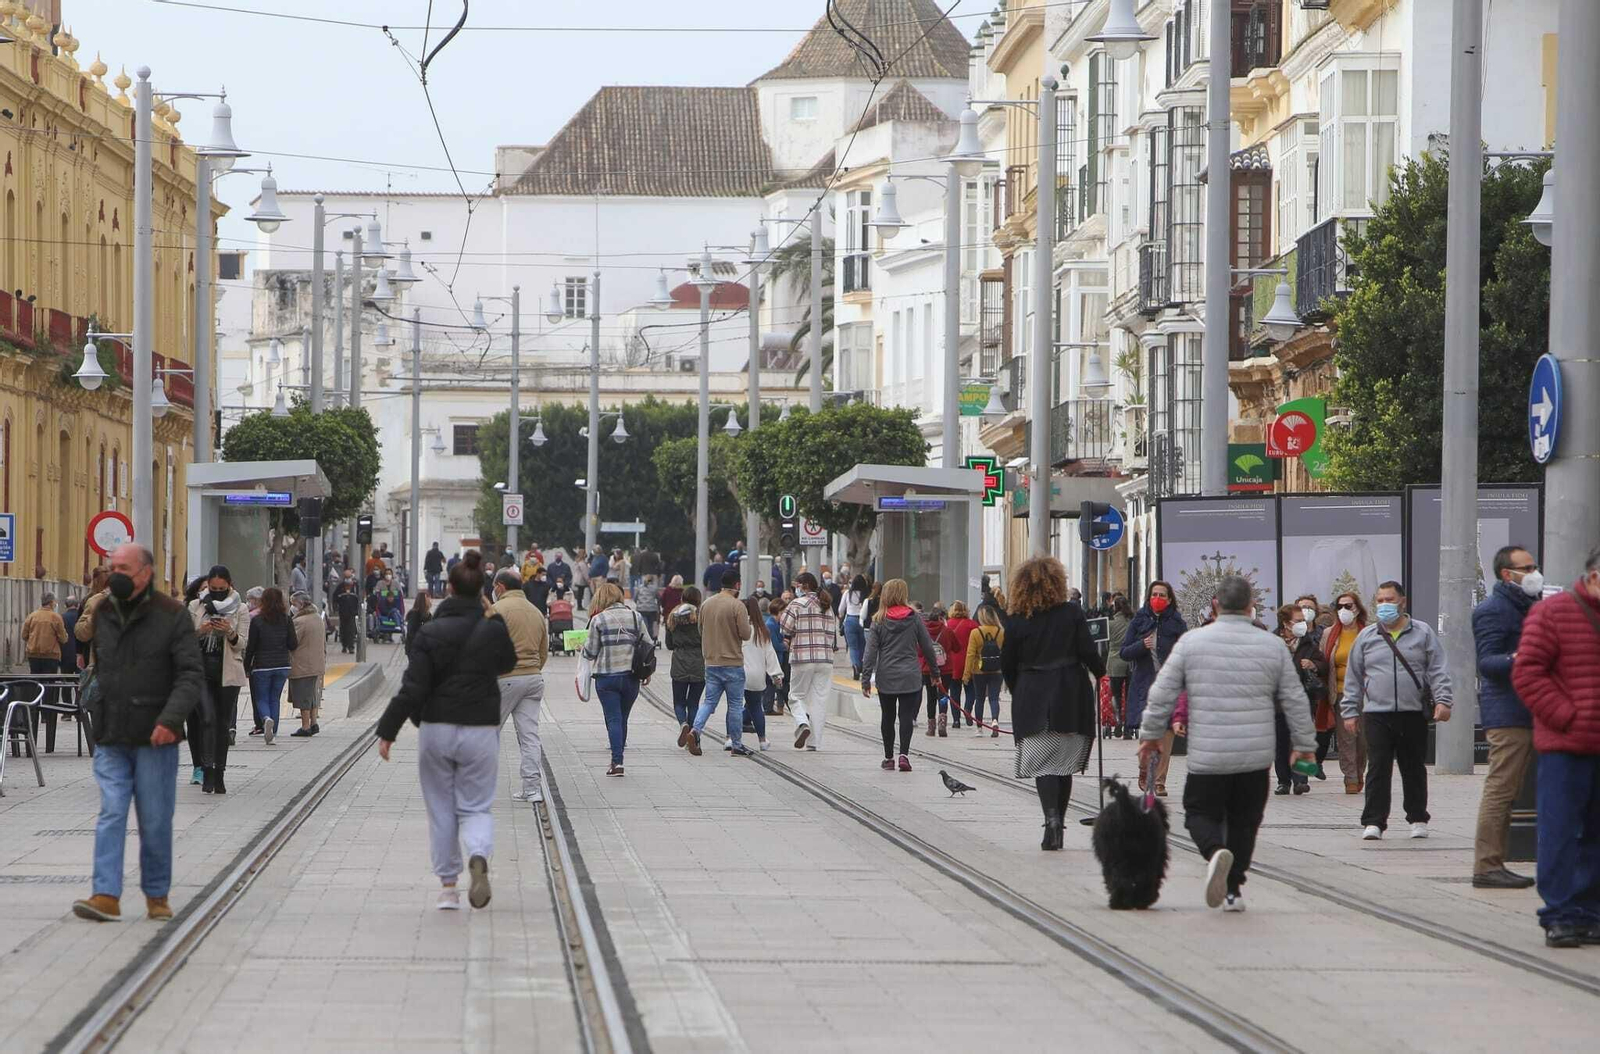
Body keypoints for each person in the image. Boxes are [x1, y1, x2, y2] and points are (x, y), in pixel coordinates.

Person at [1139, 575, 1315, 911]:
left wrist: (1150, 737)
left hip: (1209, 753)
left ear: (1216, 605)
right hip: (1254, 756)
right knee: (1245, 821)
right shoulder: (1272, 645)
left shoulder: (1192, 643)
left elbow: (1162, 692)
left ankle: (1213, 851)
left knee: (1198, 812)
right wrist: (1304, 744)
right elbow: (1294, 698)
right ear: (1251, 607)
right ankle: (1233, 889)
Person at [71, 544, 204, 923]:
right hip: (112, 732)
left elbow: (190, 675)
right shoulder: (105, 611)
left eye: (123, 568)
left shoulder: (172, 615)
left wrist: (171, 719)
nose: (115, 574)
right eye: (112, 567)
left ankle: (157, 895)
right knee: (111, 812)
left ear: (145, 573)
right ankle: (105, 894)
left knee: (155, 818)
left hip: (155, 736)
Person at [376, 551, 514, 910]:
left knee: (441, 809)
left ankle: (449, 888)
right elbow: (509, 662)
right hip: (481, 729)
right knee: (476, 807)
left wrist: (388, 730)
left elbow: (413, 687)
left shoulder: (430, 631)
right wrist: (491, 614)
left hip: (436, 728)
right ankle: (479, 854)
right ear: (482, 591)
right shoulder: (492, 628)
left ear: (448, 588)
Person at [1511, 543, 1600, 948]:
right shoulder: (1551, 613)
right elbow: (1527, 673)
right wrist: (1567, 716)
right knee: (1560, 830)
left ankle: (1590, 911)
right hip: (1565, 746)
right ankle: (1559, 914)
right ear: (1594, 576)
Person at [1000, 558, 1105, 850]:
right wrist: (1100, 672)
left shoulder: (1017, 618)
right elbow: (1087, 650)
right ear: (1057, 583)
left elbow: (1007, 660)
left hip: (1032, 694)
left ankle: (1052, 821)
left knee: (1044, 763)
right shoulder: (1071, 612)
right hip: (1070, 692)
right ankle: (1060, 819)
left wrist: (1017, 687)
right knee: (1063, 764)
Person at [1339, 581, 1453, 841]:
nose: (1383, 605)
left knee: (1413, 767)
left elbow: (1438, 670)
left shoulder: (1422, 633)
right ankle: (1374, 821)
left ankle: (1417, 818)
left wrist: (1443, 700)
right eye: (1379, 600)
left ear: (1402, 602)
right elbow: (1354, 678)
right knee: (1378, 767)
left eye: (1389, 600)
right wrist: (1350, 711)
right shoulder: (1367, 637)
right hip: (1377, 713)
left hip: (1412, 712)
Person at [1471, 545, 1542, 890]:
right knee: (1501, 788)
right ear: (1506, 575)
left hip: (1530, 709)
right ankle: (1486, 866)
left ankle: (1494, 863)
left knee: (1510, 789)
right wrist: (1523, 656)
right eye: (1526, 568)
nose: (1533, 573)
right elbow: (1487, 663)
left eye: (1534, 566)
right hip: (1508, 712)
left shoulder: (1529, 605)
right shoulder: (1494, 609)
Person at [861, 579, 942, 774]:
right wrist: (935, 673)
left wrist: (865, 679)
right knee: (906, 716)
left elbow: (870, 653)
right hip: (910, 675)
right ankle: (904, 755)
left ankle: (889, 758)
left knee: (887, 717)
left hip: (886, 675)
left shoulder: (878, 620)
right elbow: (928, 647)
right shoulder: (914, 618)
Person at [491, 569, 550, 804]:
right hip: (533, 679)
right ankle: (532, 789)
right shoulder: (536, 612)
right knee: (529, 737)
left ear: (500, 588)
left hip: (504, 679)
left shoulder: (496, 611)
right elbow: (543, 651)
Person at [188, 568, 248, 792]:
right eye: (213, 590)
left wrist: (229, 632)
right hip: (200, 671)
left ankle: (219, 774)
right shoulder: (195, 606)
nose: (217, 594)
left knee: (222, 724)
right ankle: (207, 771)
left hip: (228, 673)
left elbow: (242, 643)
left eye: (222, 590)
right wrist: (200, 631)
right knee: (206, 719)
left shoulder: (240, 608)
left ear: (230, 585)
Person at [582, 582, 650, 775]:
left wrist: (582, 649)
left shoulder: (599, 620)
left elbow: (590, 651)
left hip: (607, 677)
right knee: (623, 718)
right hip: (631, 677)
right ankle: (618, 759)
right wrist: (648, 672)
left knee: (613, 719)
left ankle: (617, 762)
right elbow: (648, 645)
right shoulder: (636, 617)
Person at [688, 572, 753, 757]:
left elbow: (700, 630)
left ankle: (695, 730)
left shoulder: (706, 604)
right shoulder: (737, 605)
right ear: (737, 585)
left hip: (711, 661)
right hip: (732, 662)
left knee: (708, 701)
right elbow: (746, 634)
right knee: (734, 705)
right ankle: (736, 744)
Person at [1120, 581, 1188, 738]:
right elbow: (1124, 652)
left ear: (1169, 599)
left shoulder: (1177, 623)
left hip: (1169, 686)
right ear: (1149, 597)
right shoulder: (1138, 621)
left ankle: (1162, 764)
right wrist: (1141, 645)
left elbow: (1186, 653)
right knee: (1147, 744)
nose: (1157, 598)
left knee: (1165, 739)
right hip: (1145, 685)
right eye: (1154, 595)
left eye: (1162, 595)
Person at [1273, 603, 1329, 796]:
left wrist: (1313, 664)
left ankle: (1301, 780)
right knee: (1281, 743)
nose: (1302, 625)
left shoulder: (1307, 643)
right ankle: (1283, 781)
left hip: (1302, 699)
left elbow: (1323, 664)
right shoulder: (1272, 642)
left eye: (1303, 621)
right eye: (1298, 621)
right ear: (1286, 623)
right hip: (1277, 702)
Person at [780, 572, 836, 751]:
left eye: (796, 585)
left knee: (796, 696)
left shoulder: (796, 604)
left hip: (802, 657)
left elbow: (785, 627)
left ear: (803, 586)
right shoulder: (827, 606)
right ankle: (814, 743)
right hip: (825, 659)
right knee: (819, 700)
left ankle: (802, 723)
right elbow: (832, 633)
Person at [1325, 590, 1369, 794]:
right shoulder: (1329, 634)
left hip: (1366, 694)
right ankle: (1350, 778)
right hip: (1341, 693)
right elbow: (1325, 663)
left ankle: (1360, 773)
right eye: (1339, 606)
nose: (1343, 610)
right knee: (1346, 737)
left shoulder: (1368, 632)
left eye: (1348, 606)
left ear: (1357, 608)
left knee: (1362, 739)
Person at [244, 586, 297, 745]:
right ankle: (272, 733)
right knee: (275, 698)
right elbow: (293, 644)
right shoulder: (286, 619)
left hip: (262, 666)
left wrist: (247, 667)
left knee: (262, 698)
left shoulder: (257, 621)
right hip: (282, 665)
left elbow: (251, 647)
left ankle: (266, 719)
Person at [22, 592, 67, 752]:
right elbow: (63, 638)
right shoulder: (55, 618)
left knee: (36, 684)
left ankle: (34, 711)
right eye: (54, 601)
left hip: (33, 654)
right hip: (51, 655)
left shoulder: (32, 616)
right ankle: (47, 714)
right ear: (51, 602)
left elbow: (24, 635)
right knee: (49, 685)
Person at [741, 597, 782, 752]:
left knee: (734, 706)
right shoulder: (763, 631)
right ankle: (762, 740)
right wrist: (776, 675)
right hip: (757, 676)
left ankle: (731, 738)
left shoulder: (740, 629)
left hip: (739, 673)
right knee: (756, 707)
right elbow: (770, 655)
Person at [666, 587, 706, 736]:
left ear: (682, 598)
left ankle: (683, 723)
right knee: (694, 703)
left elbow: (669, 644)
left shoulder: (673, 616)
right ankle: (692, 734)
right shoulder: (702, 616)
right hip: (699, 662)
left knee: (679, 702)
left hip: (679, 662)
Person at [963, 604, 1006, 738]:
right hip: (997, 670)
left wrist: (966, 674)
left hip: (979, 670)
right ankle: (994, 721)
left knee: (979, 699)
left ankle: (979, 728)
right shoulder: (1001, 632)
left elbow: (970, 654)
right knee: (994, 698)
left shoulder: (976, 632)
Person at [288, 592, 326, 738]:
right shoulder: (317, 617)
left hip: (302, 664)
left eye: (293, 604)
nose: (292, 607)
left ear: (301, 604)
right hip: (316, 663)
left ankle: (305, 726)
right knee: (312, 696)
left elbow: (293, 642)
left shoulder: (300, 621)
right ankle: (314, 722)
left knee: (303, 696)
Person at [939, 601, 979, 734]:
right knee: (970, 688)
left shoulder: (948, 624)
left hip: (953, 662)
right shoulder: (972, 624)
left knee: (954, 691)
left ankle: (956, 720)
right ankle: (968, 709)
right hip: (969, 661)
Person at [920, 604, 952, 736]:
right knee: (943, 696)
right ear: (941, 618)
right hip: (945, 669)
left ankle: (931, 726)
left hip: (928, 669)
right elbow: (956, 647)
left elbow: (919, 651)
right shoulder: (947, 631)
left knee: (931, 696)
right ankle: (942, 723)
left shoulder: (923, 632)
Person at [1105, 595, 1134, 737]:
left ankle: (1118, 722)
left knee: (1116, 694)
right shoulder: (1132, 623)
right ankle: (1128, 727)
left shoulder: (1109, 624)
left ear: (1115, 607)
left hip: (1114, 662)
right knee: (1129, 695)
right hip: (1129, 662)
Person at [841, 575, 869, 678]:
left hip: (850, 620)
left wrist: (841, 617)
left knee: (853, 646)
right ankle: (861, 665)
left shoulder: (847, 593)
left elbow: (840, 609)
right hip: (863, 621)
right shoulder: (866, 594)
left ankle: (855, 666)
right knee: (862, 645)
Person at [765, 598, 790, 715]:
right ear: (779, 612)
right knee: (771, 684)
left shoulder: (777, 624)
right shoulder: (770, 625)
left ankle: (769, 706)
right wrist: (784, 645)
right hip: (774, 659)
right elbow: (774, 645)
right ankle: (768, 707)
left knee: (775, 684)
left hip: (778, 658)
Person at [334, 572, 361, 654]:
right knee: (343, 629)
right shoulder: (340, 587)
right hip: (342, 611)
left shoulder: (355, 587)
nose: (348, 579)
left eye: (349, 577)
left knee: (351, 629)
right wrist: (335, 607)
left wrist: (358, 609)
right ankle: (344, 645)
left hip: (352, 612)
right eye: (346, 577)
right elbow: (335, 598)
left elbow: (359, 598)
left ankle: (351, 646)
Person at [635, 573, 662, 642]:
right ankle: (651, 639)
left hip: (641, 609)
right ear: (652, 580)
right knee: (651, 625)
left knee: (643, 625)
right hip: (652, 610)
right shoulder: (655, 588)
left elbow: (635, 598)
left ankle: (643, 639)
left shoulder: (639, 587)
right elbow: (659, 598)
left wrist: (640, 604)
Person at [406, 591, 432, 656]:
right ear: (423, 600)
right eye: (428, 598)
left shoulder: (427, 615)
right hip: (415, 648)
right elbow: (411, 632)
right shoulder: (414, 614)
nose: (430, 600)